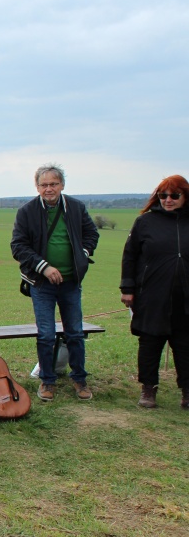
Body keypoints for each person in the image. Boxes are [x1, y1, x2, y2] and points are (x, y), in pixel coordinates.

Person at [11, 164, 99, 402]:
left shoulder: (76, 208)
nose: (49, 189)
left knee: (75, 333)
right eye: (44, 185)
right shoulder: (27, 211)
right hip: (42, 284)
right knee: (47, 335)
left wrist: (82, 252)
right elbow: (18, 246)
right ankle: (47, 382)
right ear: (37, 187)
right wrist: (45, 267)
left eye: (53, 184)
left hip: (71, 282)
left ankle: (79, 379)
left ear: (62, 185)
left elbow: (92, 234)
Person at [121, 175, 189, 410]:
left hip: (185, 299)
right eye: (163, 196)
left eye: (174, 195)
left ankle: (187, 392)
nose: (168, 200)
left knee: (185, 345)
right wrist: (127, 289)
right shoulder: (145, 223)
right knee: (150, 343)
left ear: (185, 196)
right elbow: (130, 256)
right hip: (151, 295)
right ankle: (148, 389)